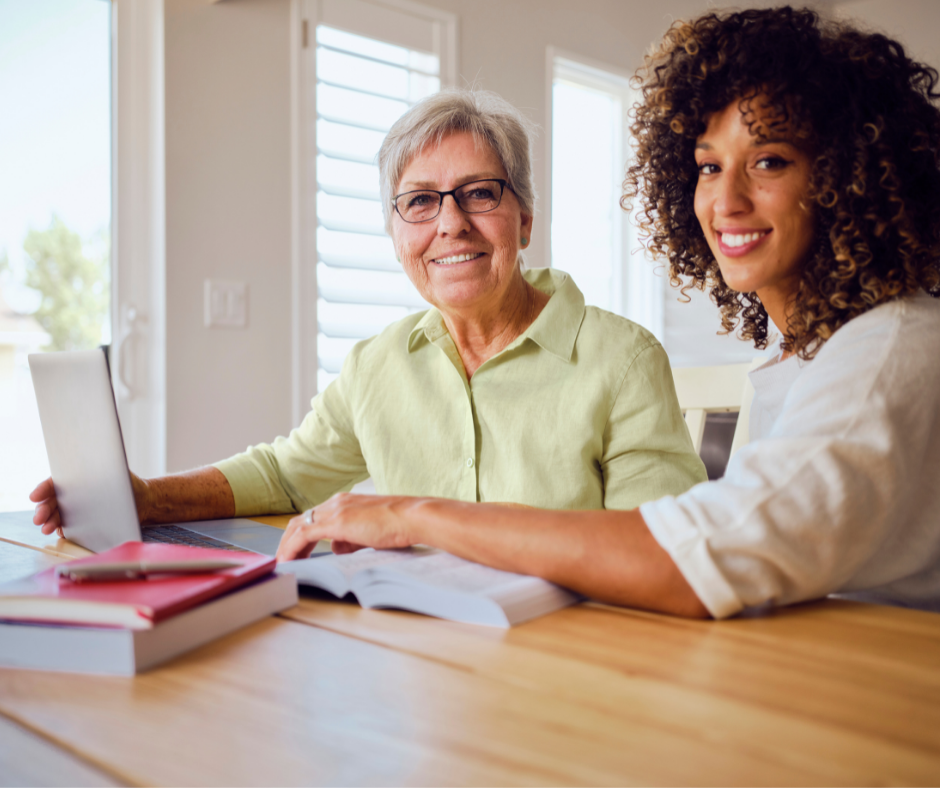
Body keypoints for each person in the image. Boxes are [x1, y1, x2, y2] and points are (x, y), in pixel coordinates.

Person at [272, 6, 940, 619]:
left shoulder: (888, 351)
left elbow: (694, 555)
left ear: (850, 174)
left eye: (769, 160)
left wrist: (412, 515)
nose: (726, 200)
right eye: (707, 167)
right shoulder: (803, 352)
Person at [30, 90, 705, 535]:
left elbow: (657, 549)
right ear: (396, 233)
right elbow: (285, 475)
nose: (450, 224)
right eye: (419, 201)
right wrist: (148, 498)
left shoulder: (623, 359)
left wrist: (413, 518)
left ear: (524, 221)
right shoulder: (378, 365)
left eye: (478, 193)